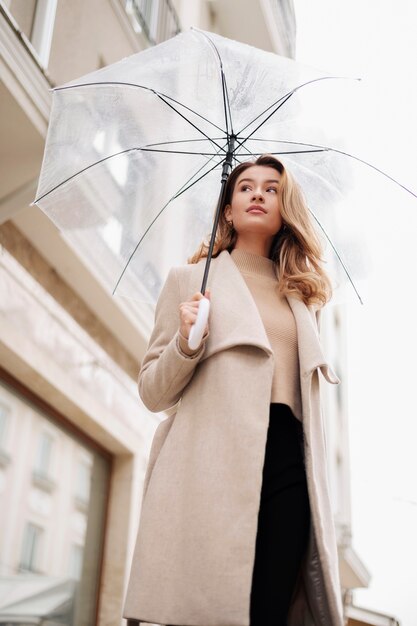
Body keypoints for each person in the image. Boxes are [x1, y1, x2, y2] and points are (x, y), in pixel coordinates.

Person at [123, 155, 344, 626]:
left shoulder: (303, 297)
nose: (258, 194)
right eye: (245, 187)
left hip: (288, 464)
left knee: (271, 609)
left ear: (286, 208)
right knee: (212, 611)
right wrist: (187, 340)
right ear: (227, 209)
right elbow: (152, 393)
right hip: (215, 465)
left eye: (271, 188)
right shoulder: (191, 282)